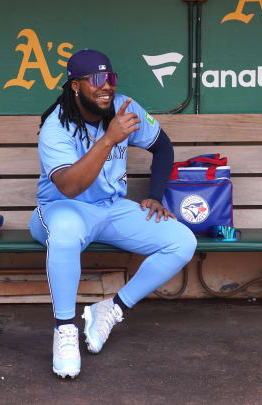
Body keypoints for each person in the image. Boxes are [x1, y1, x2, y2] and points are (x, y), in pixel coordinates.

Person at [28, 49, 197, 378]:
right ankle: (65, 329)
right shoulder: (55, 125)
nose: (106, 86)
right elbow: (69, 187)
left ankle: (112, 309)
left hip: (110, 209)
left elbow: (163, 146)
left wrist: (154, 196)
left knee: (182, 241)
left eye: (110, 78)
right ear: (75, 86)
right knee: (64, 230)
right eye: (96, 80)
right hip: (62, 210)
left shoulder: (124, 107)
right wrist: (109, 139)